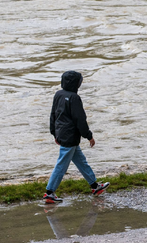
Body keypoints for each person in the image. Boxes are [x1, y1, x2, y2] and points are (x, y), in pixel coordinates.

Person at [43, 70, 110, 204]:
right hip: (70, 136)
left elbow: (53, 115)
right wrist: (89, 136)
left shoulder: (58, 94)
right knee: (61, 165)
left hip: (62, 134)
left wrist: (54, 133)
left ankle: (95, 186)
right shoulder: (74, 98)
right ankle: (49, 193)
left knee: (80, 161)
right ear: (76, 83)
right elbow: (80, 120)